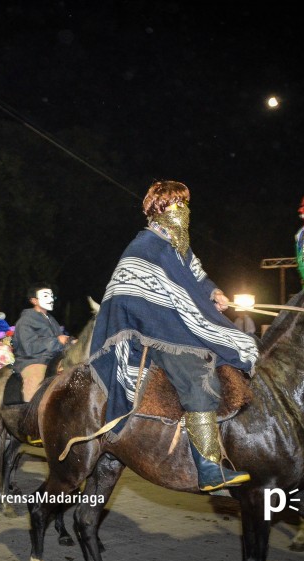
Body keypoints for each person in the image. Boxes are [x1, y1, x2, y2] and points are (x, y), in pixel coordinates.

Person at [89, 180, 258, 492]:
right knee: (197, 375)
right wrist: (173, 319)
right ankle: (208, 467)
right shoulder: (143, 247)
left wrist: (214, 292)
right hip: (152, 332)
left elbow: (196, 279)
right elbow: (127, 295)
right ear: (158, 209)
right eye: (176, 204)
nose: (184, 211)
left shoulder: (179, 248)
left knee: (236, 350)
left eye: (185, 204)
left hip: (177, 327)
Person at [12, 285, 70, 402]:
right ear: (34, 300)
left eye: (52, 296)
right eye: (45, 295)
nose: (51, 299)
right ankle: (30, 416)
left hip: (55, 360)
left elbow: (60, 341)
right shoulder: (25, 321)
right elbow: (28, 347)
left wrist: (72, 341)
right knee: (35, 381)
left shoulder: (51, 320)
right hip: (34, 361)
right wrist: (57, 341)